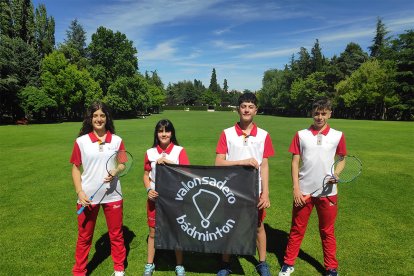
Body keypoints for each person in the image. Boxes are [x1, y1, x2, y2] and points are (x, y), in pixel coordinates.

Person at [278, 99, 347, 276]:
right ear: (311, 113)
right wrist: (296, 188)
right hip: (304, 191)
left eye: (323, 113)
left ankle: (331, 268)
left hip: (328, 192)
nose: (319, 117)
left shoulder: (338, 135)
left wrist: (337, 174)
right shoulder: (301, 134)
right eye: (316, 113)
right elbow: (294, 162)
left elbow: (342, 159)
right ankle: (288, 263)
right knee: (297, 229)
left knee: (327, 231)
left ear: (330, 113)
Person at [215, 92, 275, 276]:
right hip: (230, 189)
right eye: (243, 106)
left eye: (250, 106)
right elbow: (218, 162)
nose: (246, 109)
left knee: (258, 226)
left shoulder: (264, 135)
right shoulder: (227, 133)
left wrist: (265, 193)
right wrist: (241, 162)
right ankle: (225, 263)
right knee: (228, 225)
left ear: (256, 110)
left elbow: (264, 165)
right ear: (238, 109)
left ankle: (262, 263)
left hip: (253, 190)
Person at [70, 102, 126, 276]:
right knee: (84, 237)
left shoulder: (117, 140)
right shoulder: (81, 141)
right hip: (87, 197)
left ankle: (119, 270)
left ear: (107, 118)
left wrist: (115, 170)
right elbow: (75, 168)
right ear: (90, 118)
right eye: (95, 116)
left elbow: (123, 163)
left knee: (116, 235)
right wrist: (80, 192)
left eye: (102, 115)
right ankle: (79, 272)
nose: (99, 119)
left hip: (113, 196)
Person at [143, 119, 190, 276]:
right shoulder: (150, 152)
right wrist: (148, 189)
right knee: (153, 232)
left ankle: (179, 265)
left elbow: (186, 173)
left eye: (167, 131)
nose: (164, 134)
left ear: (172, 133)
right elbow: (146, 175)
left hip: (175, 198)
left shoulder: (179, 151)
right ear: (156, 133)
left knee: (176, 231)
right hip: (155, 198)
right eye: (160, 131)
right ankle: (149, 264)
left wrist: (168, 162)